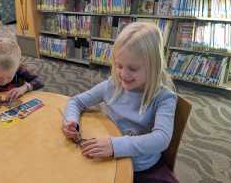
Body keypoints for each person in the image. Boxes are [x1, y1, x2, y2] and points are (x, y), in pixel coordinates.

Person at [62, 22, 179, 183]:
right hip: (109, 159)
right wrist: (72, 121)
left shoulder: (164, 97)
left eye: (133, 68)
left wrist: (115, 146)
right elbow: (76, 101)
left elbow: (161, 138)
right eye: (119, 65)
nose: (123, 74)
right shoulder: (112, 85)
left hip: (142, 168)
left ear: (153, 66)